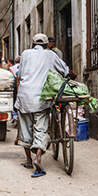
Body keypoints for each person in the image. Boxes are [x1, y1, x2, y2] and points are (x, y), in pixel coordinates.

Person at [16, 33, 69, 178]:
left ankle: (28, 160)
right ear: (46, 45)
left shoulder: (25, 54)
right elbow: (64, 70)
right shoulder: (50, 55)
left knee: (25, 130)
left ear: (33, 44)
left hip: (24, 96)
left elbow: (19, 74)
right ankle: (38, 158)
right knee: (41, 128)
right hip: (41, 98)